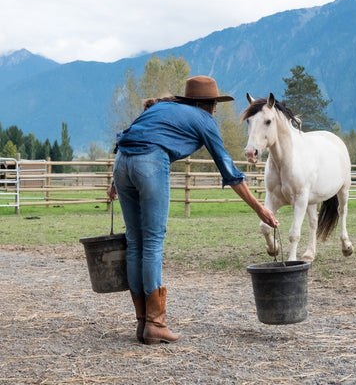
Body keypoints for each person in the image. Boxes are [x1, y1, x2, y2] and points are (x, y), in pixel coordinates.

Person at [107, 75, 279, 345]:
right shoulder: (203, 120)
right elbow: (229, 170)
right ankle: (155, 324)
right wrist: (259, 208)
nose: (215, 110)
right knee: (152, 242)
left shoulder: (161, 108)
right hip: (149, 162)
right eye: (215, 105)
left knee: (135, 241)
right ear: (210, 104)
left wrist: (114, 182)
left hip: (122, 163)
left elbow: (132, 136)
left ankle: (143, 322)